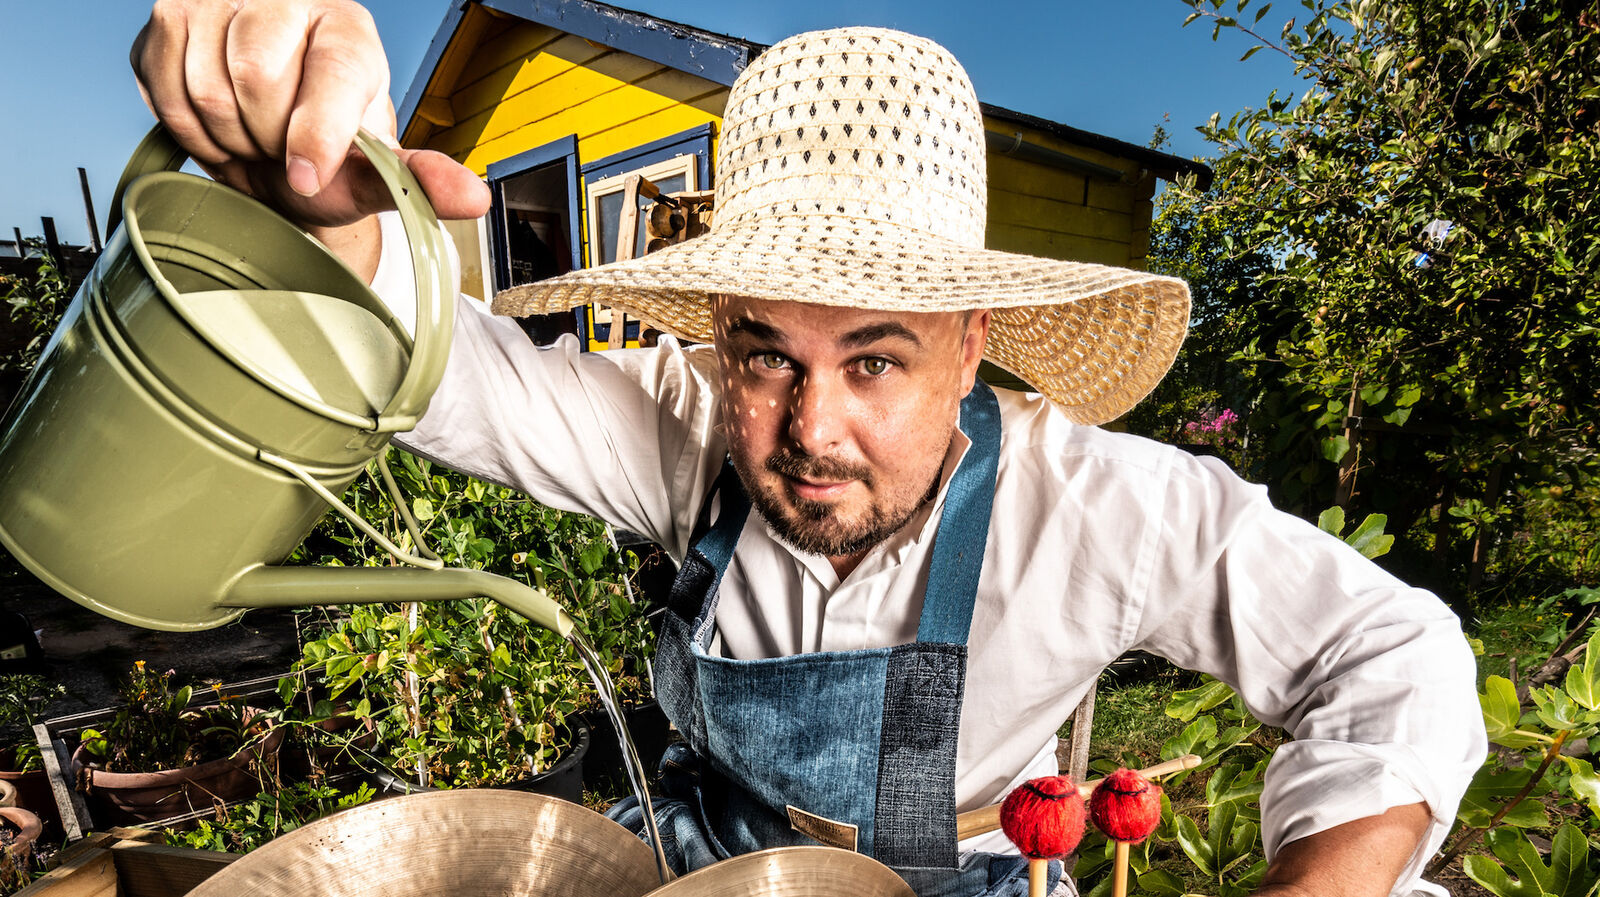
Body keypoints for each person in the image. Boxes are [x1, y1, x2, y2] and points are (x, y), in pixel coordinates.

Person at [130, 3, 1485, 895]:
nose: (807, 430)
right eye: (764, 352)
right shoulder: (679, 428)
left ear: (973, 342)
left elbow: (1393, 652)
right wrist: (329, 224)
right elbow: (452, 374)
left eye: (876, 359)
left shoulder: (1097, 504)